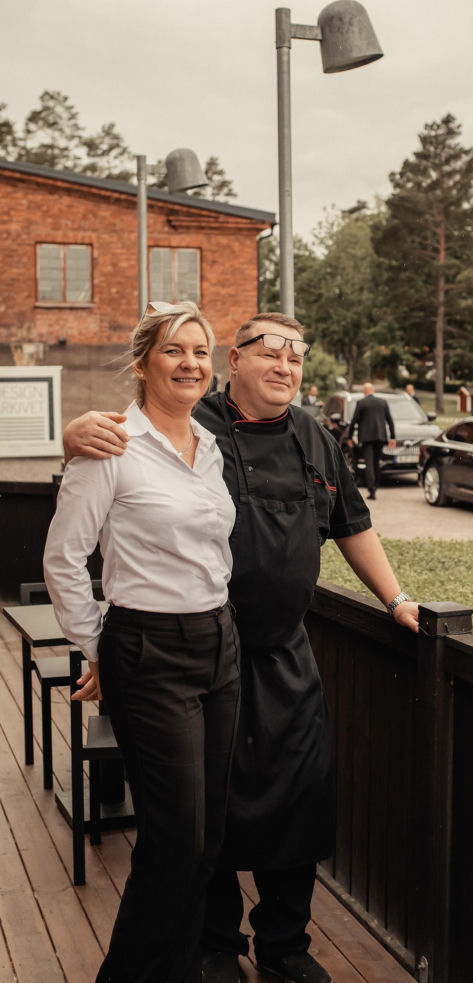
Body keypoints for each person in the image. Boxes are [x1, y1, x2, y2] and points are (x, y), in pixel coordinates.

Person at [63, 311, 419, 983]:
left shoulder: (314, 434)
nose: (285, 366)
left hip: (288, 655)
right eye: (270, 352)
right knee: (206, 811)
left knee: (302, 801)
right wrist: (69, 434)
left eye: (297, 355)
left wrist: (396, 599)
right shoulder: (197, 425)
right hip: (202, 652)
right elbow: (124, 451)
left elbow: (353, 524)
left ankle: (284, 944)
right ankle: (215, 942)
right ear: (235, 359)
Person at [45, 301, 241, 983]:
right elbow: (63, 559)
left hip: (219, 642)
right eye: (174, 350)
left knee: (209, 837)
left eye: (200, 351)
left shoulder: (209, 444)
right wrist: (101, 645)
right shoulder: (110, 444)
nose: (191, 363)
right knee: (175, 841)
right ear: (141, 363)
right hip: (148, 648)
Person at [347, 382, 396, 500]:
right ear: (372, 390)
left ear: (364, 391)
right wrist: (393, 437)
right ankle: (376, 485)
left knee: (369, 463)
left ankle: (372, 490)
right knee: (376, 462)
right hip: (380, 437)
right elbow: (390, 421)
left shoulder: (361, 403)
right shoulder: (382, 402)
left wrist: (349, 437)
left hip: (366, 438)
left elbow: (354, 421)